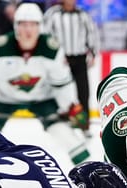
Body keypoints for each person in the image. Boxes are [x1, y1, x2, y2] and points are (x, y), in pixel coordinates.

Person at [0, 2, 90, 165]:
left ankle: (88, 171)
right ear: (15, 26)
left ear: (40, 27)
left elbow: (62, 83)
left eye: (33, 25)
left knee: (66, 134)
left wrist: (71, 106)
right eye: (23, 25)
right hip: (3, 98)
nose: (28, 30)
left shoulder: (52, 50)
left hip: (42, 98)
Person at [42, 0, 100, 135]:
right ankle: (55, 124)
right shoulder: (52, 14)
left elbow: (92, 34)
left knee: (83, 93)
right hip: (60, 60)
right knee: (58, 92)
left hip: (79, 58)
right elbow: (45, 35)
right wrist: (50, 56)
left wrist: (93, 53)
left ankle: (85, 126)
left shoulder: (83, 15)